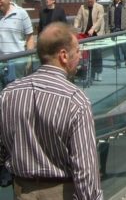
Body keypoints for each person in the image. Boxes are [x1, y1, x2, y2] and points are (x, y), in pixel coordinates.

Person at [0, 22, 103, 199]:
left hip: (21, 190)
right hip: (61, 192)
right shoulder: (75, 101)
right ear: (64, 55)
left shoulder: (8, 94)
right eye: (77, 51)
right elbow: (85, 170)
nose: (80, 56)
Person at [0, 0, 35, 87]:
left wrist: (29, 61)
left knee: (14, 97)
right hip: (1, 62)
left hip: (16, 63)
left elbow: (30, 38)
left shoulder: (21, 14)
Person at [74, 0, 105, 82]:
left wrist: (93, 29)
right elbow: (77, 18)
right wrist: (75, 27)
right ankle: (83, 74)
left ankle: (98, 72)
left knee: (97, 54)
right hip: (85, 35)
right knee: (84, 56)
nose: (89, 1)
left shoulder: (100, 7)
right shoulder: (82, 7)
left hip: (97, 34)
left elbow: (99, 20)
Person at [107, 0, 126, 68]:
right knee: (115, 48)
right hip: (114, 30)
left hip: (123, 30)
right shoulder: (111, 6)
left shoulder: (125, 5)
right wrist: (108, 29)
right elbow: (108, 18)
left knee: (124, 47)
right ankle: (118, 63)